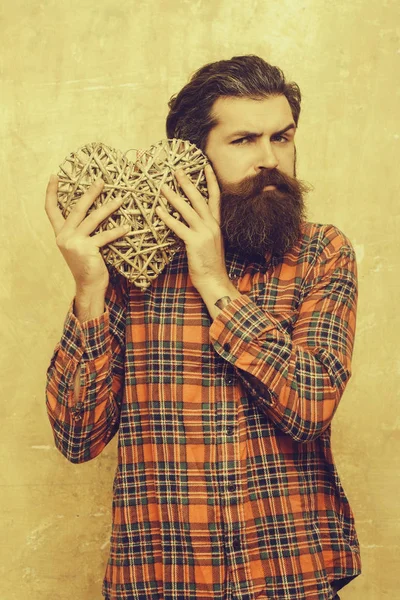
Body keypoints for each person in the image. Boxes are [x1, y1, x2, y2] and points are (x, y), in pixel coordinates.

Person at [45, 55, 362, 600]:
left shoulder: (321, 253)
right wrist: (90, 290)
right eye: (244, 141)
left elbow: (311, 404)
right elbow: (77, 438)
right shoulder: (134, 264)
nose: (270, 160)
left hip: (290, 576)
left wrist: (214, 281)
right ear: (192, 159)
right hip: (160, 578)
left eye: (282, 137)